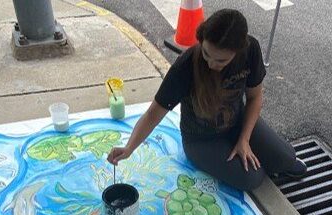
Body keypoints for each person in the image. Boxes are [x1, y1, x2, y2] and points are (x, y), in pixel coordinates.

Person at [107, 9, 306, 191]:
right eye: (206, 53)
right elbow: (154, 113)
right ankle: (252, 160)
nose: (211, 64)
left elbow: (255, 97)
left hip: (237, 122)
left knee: (286, 158)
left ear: (238, 51)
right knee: (252, 179)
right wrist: (129, 148)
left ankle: (267, 157)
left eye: (221, 60)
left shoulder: (251, 49)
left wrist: (244, 139)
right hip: (201, 140)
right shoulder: (185, 66)